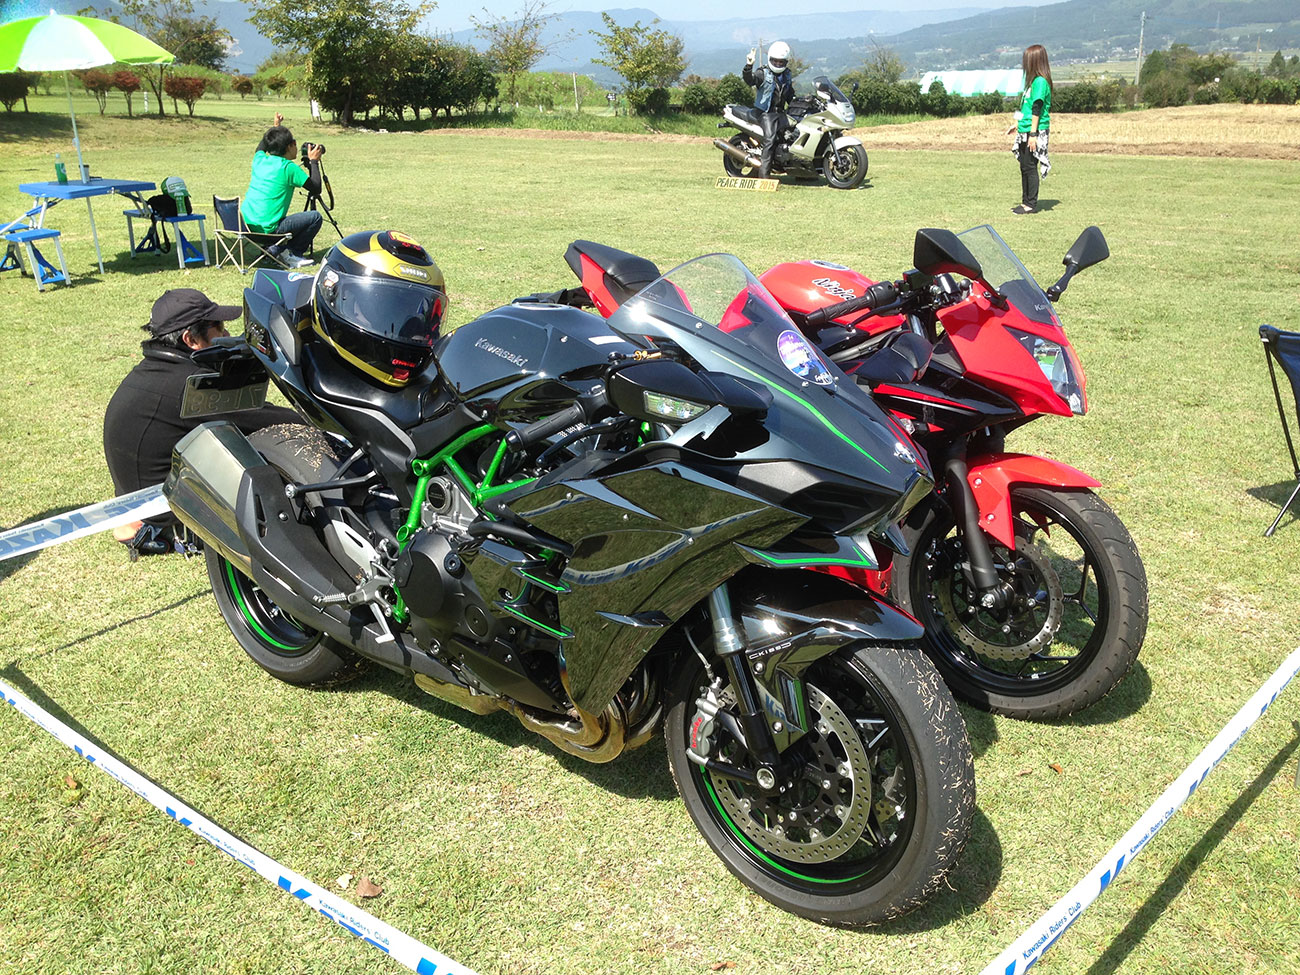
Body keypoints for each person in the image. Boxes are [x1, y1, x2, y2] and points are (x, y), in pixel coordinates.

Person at [103, 288, 301, 556]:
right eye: (219, 328)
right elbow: (269, 419)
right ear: (191, 339)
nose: (227, 334)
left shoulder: (156, 372)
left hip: (140, 505)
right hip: (166, 520)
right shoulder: (187, 386)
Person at [240, 111, 324, 268]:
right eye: (294, 143)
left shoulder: (259, 160)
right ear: (290, 146)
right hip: (269, 231)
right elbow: (316, 188)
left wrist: (276, 128)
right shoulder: (288, 168)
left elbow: (261, 146)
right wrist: (313, 162)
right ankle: (290, 253)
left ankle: (273, 249)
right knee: (315, 217)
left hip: (245, 227)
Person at [1007, 44, 1052, 215]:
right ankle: (1025, 201)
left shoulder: (1040, 82)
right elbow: (1024, 106)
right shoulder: (1030, 83)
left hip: (1035, 131)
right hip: (1024, 129)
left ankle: (1031, 204)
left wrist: (1033, 134)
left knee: (1030, 166)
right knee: (1024, 166)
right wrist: (1016, 123)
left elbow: (1036, 108)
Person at [743, 41, 795, 180]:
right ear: (770, 59)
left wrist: (802, 102)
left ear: (785, 62)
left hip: (780, 113)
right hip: (765, 113)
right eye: (775, 61)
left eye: (781, 61)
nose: (777, 64)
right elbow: (750, 80)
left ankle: (802, 173)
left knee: (793, 135)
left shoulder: (787, 75)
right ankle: (764, 177)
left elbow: (790, 95)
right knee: (770, 140)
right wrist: (749, 66)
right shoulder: (762, 73)